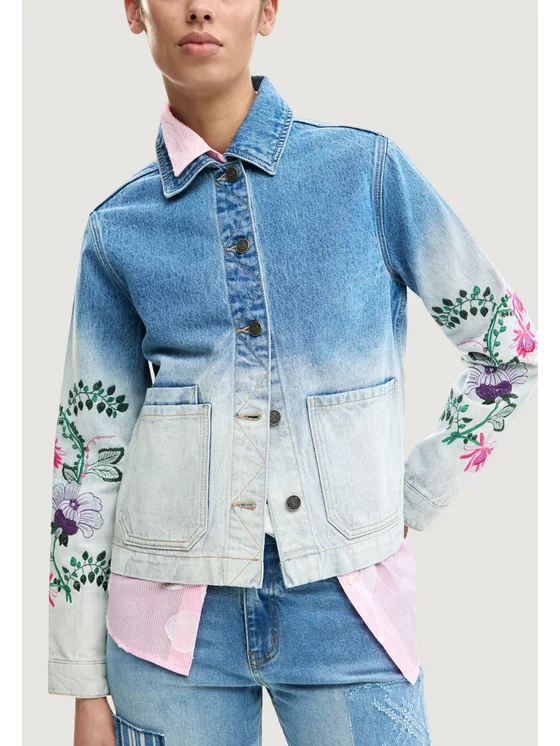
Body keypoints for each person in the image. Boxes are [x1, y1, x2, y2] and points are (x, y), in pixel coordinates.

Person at [47, 1, 538, 744]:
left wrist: (416, 492)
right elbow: (87, 457)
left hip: (352, 605)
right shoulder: (119, 228)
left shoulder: (365, 174)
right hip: (167, 630)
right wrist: (83, 685)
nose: (200, 8)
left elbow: (506, 347)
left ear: (268, 10)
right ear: (134, 12)